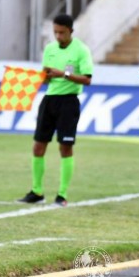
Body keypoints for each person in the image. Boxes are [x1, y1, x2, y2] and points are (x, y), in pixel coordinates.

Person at [18, 14, 93, 207]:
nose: (58, 36)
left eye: (62, 32)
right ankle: (37, 191)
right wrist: (42, 77)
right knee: (38, 146)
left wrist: (64, 74)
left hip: (69, 102)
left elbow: (87, 79)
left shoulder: (81, 50)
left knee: (65, 147)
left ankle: (62, 194)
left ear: (71, 31)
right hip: (50, 100)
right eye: (55, 32)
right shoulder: (50, 49)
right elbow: (47, 77)